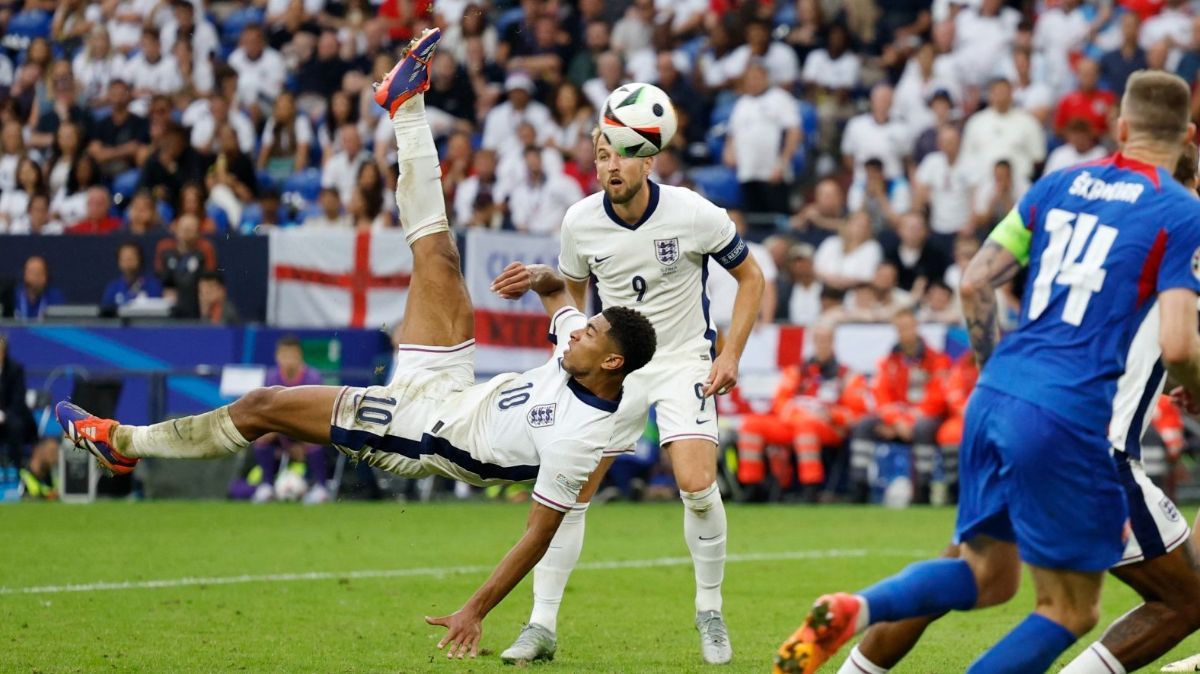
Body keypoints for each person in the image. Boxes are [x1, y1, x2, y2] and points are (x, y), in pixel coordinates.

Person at [57, 29, 656, 659]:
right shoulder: (580, 355)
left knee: (264, 404)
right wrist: (543, 281)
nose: (577, 330)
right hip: (452, 385)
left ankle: (122, 444)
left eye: (591, 333)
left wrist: (474, 609)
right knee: (439, 254)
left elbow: (537, 534)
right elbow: (563, 304)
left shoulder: (579, 439)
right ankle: (406, 105)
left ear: (610, 362)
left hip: (417, 433)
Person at [775, 70, 1200, 674]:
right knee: (1075, 609)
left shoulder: (1058, 184)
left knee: (984, 576)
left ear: (1121, 127)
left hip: (999, 391)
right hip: (1076, 424)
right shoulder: (1181, 214)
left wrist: (996, 378)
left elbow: (974, 281)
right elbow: (1181, 343)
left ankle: (856, 608)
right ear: (1187, 136)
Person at [497, 105, 765, 670]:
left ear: (647, 159)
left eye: (620, 152)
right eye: (601, 154)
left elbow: (751, 276)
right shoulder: (579, 222)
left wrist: (731, 352)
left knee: (695, 483)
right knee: (570, 490)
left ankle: (709, 608)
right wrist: (570, 368)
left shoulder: (693, 212)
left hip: (682, 359)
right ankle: (541, 624)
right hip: (615, 368)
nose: (610, 164)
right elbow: (572, 304)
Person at [734, 322, 866, 493]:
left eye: (825, 340)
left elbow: (856, 413)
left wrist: (832, 415)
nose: (821, 345)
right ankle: (751, 485)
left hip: (828, 426)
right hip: (794, 422)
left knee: (806, 427)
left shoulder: (847, 375)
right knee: (751, 424)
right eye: (818, 340)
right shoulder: (797, 371)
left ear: (833, 343)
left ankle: (809, 486)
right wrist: (799, 415)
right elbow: (780, 402)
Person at [245, 336, 328, 504]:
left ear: (300, 356)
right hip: (281, 430)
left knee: (318, 438)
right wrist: (288, 446)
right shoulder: (270, 378)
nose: (288, 360)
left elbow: (314, 413)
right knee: (262, 436)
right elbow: (269, 413)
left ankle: (321, 487)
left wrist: (298, 440)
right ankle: (267, 486)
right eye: (284, 355)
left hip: (306, 429)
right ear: (277, 357)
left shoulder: (313, 379)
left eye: (292, 355)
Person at [0, 334, 37, 474]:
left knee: (16, 426)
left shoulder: (15, 370)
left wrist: (4, 415)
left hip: (11, 417)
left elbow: (18, 399)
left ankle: (18, 471)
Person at [102, 242, 163, 311]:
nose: (127, 263)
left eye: (131, 258)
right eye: (124, 259)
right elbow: (106, 314)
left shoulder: (153, 285)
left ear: (139, 259)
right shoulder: (113, 287)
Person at [13, 255, 65, 322]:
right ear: (25, 275)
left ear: (45, 277)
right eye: (31, 272)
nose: (35, 277)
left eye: (38, 273)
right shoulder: (14, 296)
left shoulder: (55, 297)